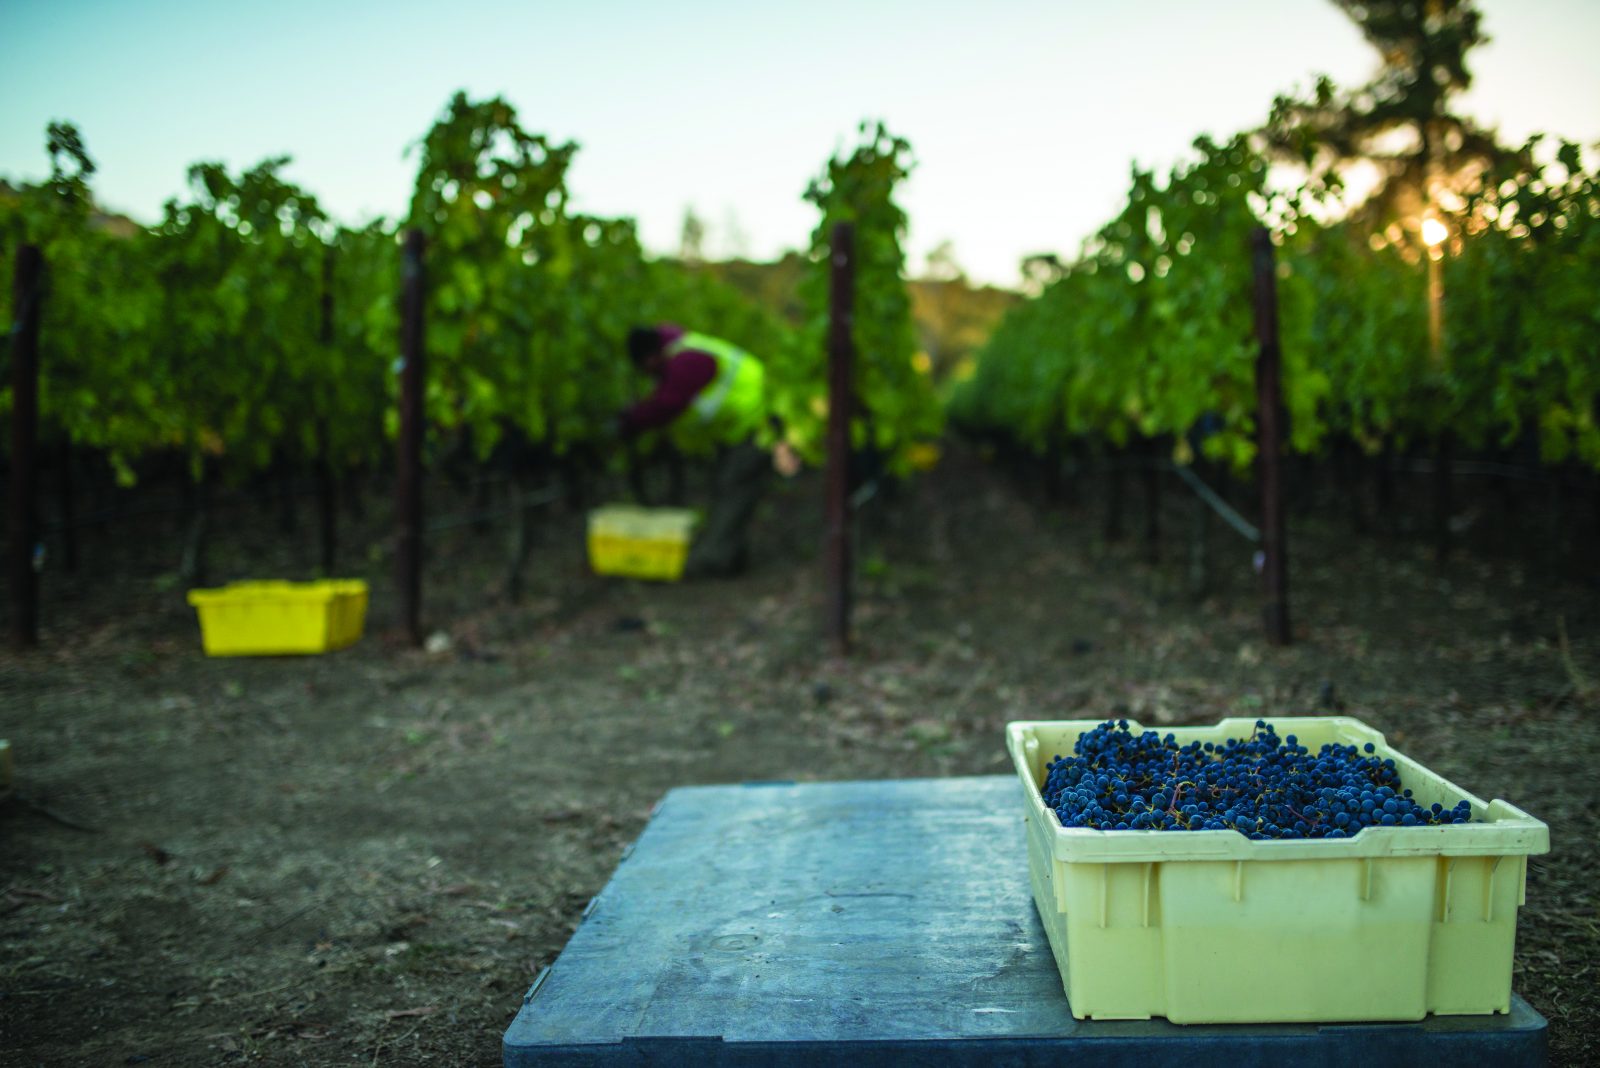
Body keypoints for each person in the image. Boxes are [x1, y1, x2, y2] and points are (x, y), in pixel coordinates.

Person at [617, 324, 793, 578]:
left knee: (734, 484)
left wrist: (631, 420)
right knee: (731, 487)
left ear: (650, 357)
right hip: (743, 425)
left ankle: (713, 560)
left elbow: (667, 405)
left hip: (758, 421)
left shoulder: (685, 362)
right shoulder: (680, 351)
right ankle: (729, 557)